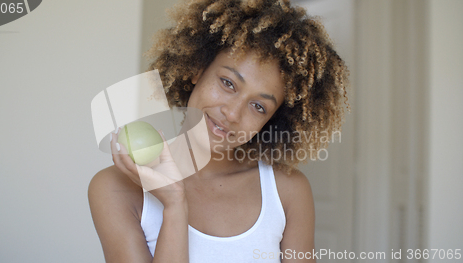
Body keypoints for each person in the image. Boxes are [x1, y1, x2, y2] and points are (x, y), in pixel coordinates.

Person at [88, 0, 350, 262]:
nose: (233, 114)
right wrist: (175, 205)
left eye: (258, 106)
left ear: (271, 121)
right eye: (228, 83)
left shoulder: (288, 192)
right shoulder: (114, 189)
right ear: (196, 70)